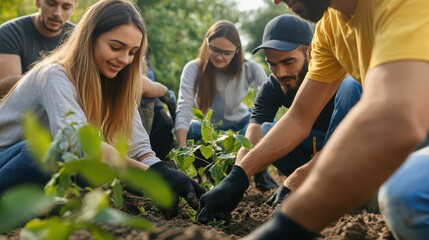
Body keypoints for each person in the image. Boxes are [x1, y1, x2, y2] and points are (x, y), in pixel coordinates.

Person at [229, 0, 428, 239]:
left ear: (305, 51)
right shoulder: (329, 26)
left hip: (414, 134)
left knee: (407, 194)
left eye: (288, 61)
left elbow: (395, 119)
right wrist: (239, 175)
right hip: (401, 141)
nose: (276, 1)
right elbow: (299, 117)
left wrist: (291, 223)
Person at [0, 0, 205, 219]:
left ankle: (41, 206)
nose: (125, 59)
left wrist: (165, 176)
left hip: (46, 169)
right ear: (89, 38)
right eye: (116, 47)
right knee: (47, 154)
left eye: (133, 52)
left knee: (96, 172)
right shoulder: (54, 75)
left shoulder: (116, 81)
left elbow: (140, 148)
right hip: (11, 158)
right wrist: (150, 174)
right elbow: (74, 141)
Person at [235, 14, 362, 208]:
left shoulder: (343, 78)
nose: (281, 73)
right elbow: (253, 137)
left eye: (288, 62)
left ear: (310, 51)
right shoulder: (272, 86)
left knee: (351, 85)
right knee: (267, 131)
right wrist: (234, 181)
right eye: (272, 64)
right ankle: (319, 189)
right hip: (314, 150)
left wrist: (298, 177)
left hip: (353, 149)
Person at [174, 20, 275, 189]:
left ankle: (260, 172)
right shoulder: (193, 68)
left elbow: (269, 101)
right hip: (210, 130)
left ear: (237, 50)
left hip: (242, 125)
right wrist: (183, 151)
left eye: (227, 52)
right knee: (188, 129)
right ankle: (203, 173)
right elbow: (184, 107)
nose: (220, 56)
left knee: (264, 127)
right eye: (214, 49)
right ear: (207, 44)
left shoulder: (250, 68)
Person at [0, 0, 76, 97]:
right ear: (37, 2)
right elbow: (3, 85)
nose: (57, 13)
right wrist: (47, 79)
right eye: (51, 4)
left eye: (66, 7)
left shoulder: (78, 37)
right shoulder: (10, 32)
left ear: (73, 9)